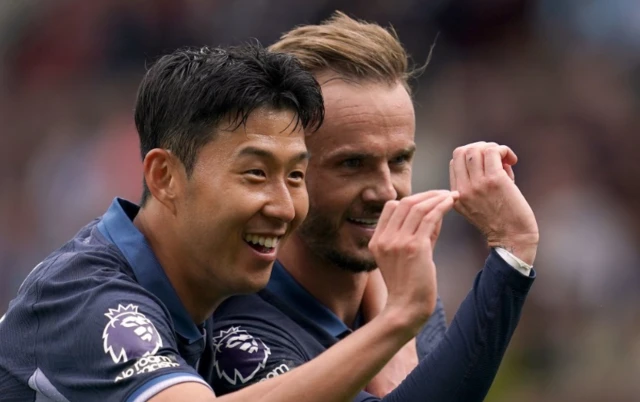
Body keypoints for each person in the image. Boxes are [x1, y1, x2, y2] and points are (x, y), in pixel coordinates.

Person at [0, 43, 458, 401]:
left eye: (295, 175)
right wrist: (397, 321)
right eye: (256, 173)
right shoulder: (95, 301)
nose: (283, 207)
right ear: (165, 177)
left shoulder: (207, 291)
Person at [209, 12, 539, 401]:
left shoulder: (401, 280)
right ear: (282, 171)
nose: (385, 191)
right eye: (352, 164)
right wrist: (511, 254)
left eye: (399, 160)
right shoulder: (238, 325)